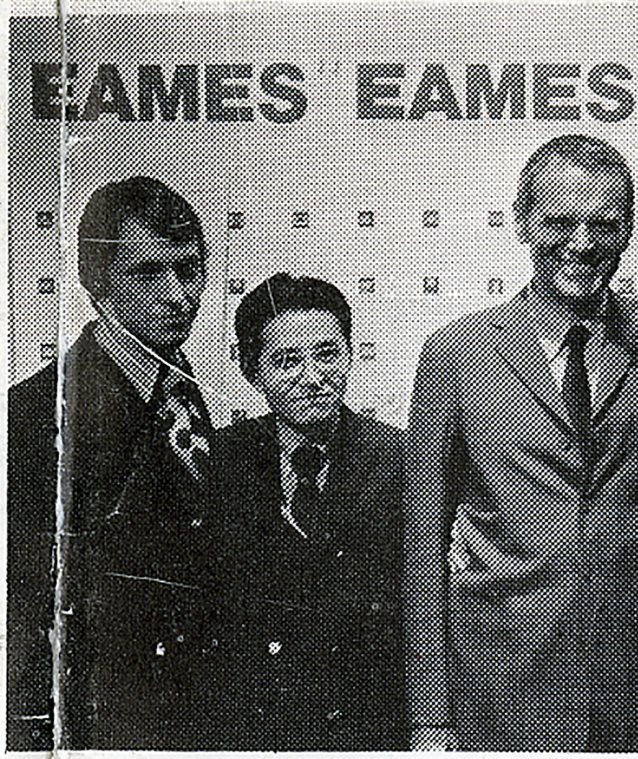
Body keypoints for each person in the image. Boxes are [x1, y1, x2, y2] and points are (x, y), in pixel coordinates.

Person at [404, 134, 638, 752]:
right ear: (521, 222)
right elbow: (423, 548)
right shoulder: (456, 353)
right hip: (502, 686)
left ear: (628, 231)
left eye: (603, 224)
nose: (582, 245)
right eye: (559, 222)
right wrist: (430, 720)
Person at [6, 176, 216, 748]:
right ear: (94, 284)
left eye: (190, 269)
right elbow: (24, 618)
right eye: (148, 274)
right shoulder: (31, 415)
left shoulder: (190, 394)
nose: (181, 295)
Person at [206, 273, 405, 750]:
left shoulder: (398, 457)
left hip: (370, 720)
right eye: (285, 361)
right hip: (256, 723)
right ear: (251, 371)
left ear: (351, 354)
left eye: (327, 354)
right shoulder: (220, 460)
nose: (312, 378)